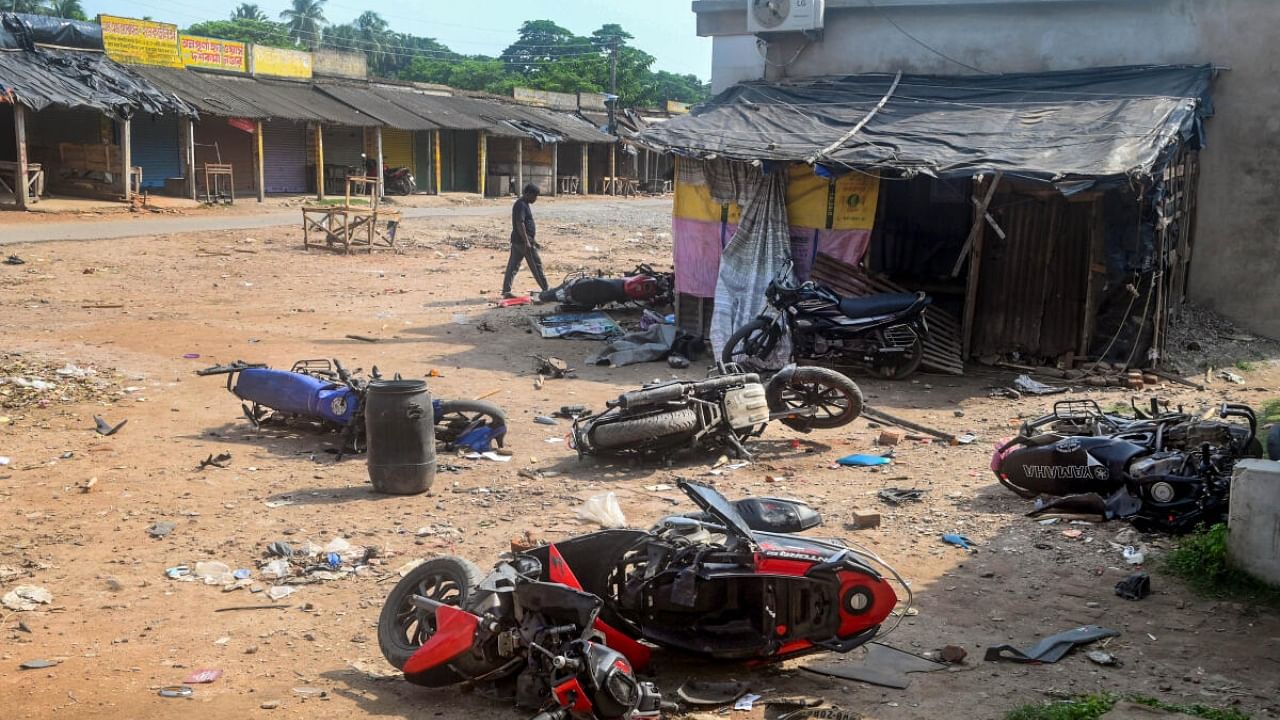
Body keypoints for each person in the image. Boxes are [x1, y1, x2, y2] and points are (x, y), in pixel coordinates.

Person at [502, 184, 549, 298]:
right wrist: (527, 241)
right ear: (528, 194)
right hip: (523, 242)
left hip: (519, 241)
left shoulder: (523, 204)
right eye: (535, 196)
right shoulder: (521, 205)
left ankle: (506, 291)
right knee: (536, 265)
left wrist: (533, 240)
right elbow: (520, 223)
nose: (535, 199)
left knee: (513, 266)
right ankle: (546, 290)